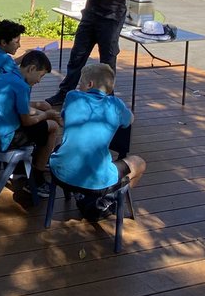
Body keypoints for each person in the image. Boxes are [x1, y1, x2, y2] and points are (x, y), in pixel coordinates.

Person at [49, 63, 144, 218]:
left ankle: (83, 196)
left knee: (64, 143)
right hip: (96, 180)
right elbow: (130, 119)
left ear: (89, 84)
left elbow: (65, 119)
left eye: (80, 83)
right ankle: (109, 200)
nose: (79, 86)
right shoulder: (116, 105)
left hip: (59, 172)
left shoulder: (72, 96)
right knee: (139, 163)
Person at [0, 50, 61, 194]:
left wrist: (42, 110)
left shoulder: (7, 77)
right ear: (31, 69)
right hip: (5, 139)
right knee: (53, 127)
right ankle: (38, 177)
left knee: (44, 110)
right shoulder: (22, 87)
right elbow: (27, 121)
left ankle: (34, 161)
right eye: (40, 76)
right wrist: (46, 115)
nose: (39, 81)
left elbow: (17, 106)